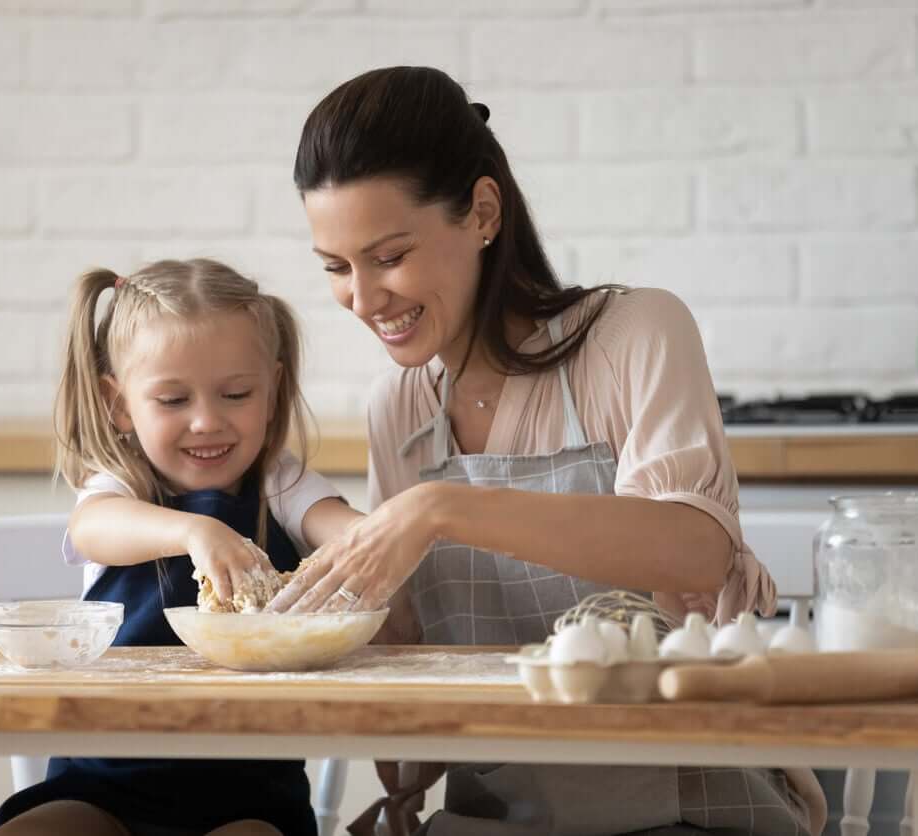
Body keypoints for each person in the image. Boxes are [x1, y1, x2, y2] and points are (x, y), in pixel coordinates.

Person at [267, 67, 826, 836]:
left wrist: (442, 508)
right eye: (336, 268)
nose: (363, 300)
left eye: (389, 256)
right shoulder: (400, 409)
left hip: (691, 805)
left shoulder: (634, 335)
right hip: (496, 816)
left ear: (483, 211)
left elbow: (695, 550)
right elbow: (413, 650)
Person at [0, 258, 361, 836]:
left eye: (236, 393)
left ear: (273, 391)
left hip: (250, 795)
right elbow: (93, 528)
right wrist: (193, 532)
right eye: (172, 401)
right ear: (119, 404)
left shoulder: (280, 486)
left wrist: (385, 537)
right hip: (101, 785)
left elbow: (346, 532)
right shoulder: (120, 487)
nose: (206, 421)